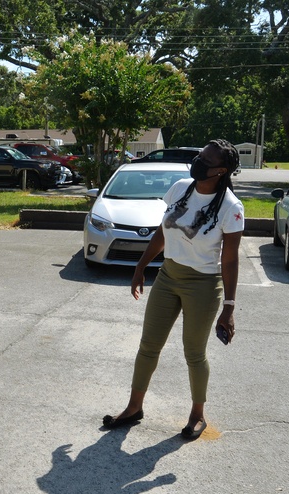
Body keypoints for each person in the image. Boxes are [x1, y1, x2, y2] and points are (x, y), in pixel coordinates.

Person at [103, 139, 244, 440]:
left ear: (220, 170)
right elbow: (163, 232)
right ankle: (133, 407)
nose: (198, 160)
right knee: (148, 345)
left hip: (203, 284)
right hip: (168, 276)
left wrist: (229, 306)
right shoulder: (181, 188)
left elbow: (230, 260)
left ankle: (197, 414)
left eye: (206, 159)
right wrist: (141, 266)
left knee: (194, 353)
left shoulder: (231, 208)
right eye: (200, 155)